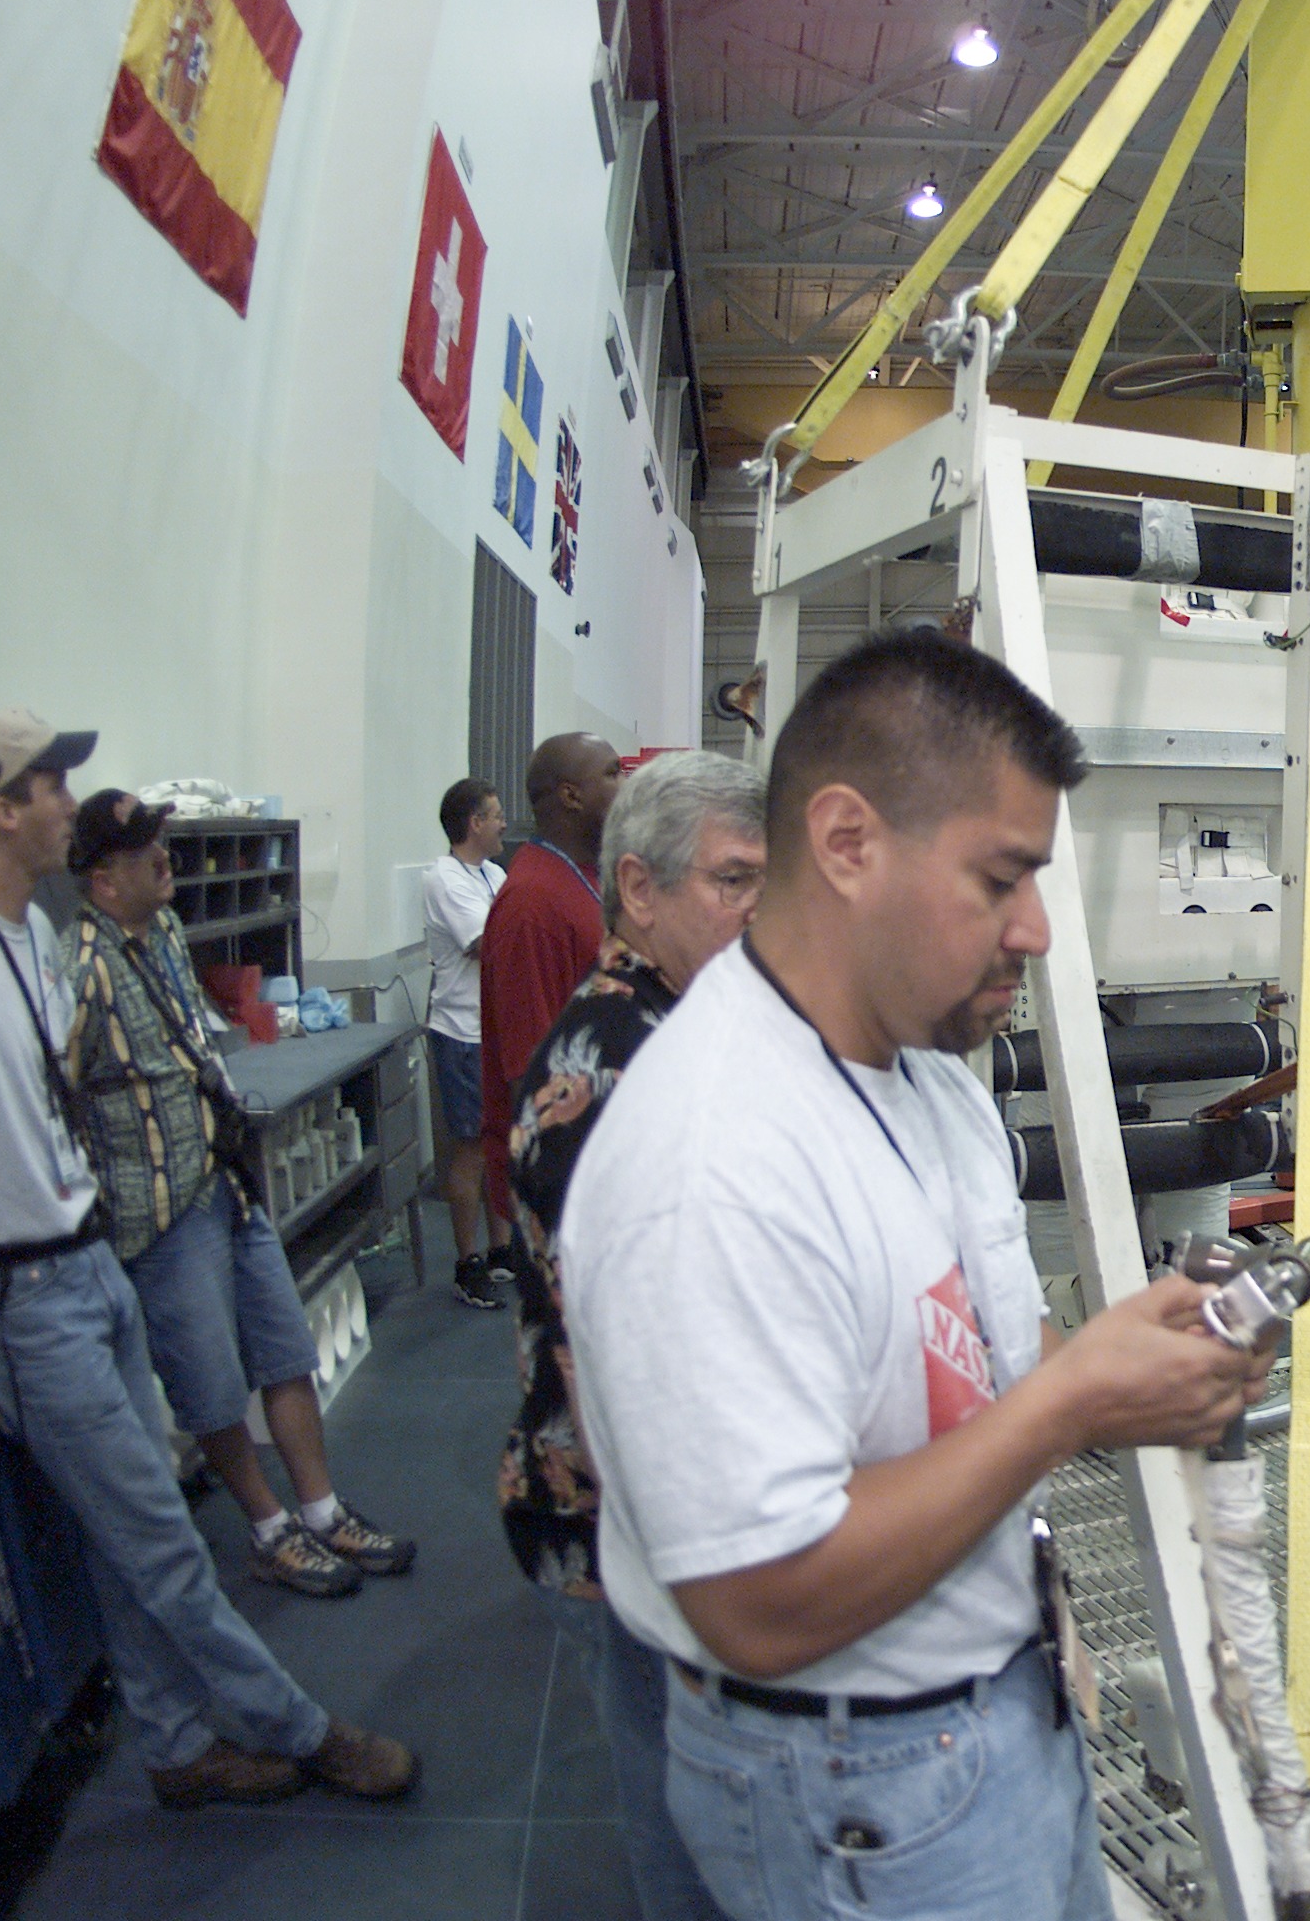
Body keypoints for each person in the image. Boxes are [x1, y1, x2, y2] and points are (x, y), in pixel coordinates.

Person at [565, 630, 1268, 1921]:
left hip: (990, 1720)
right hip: (854, 1782)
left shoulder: (929, 1083)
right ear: (846, 844)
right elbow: (761, 1603)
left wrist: (1135, 1362)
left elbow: (978, 1364)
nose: (1039, 930)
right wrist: (1072, 1409)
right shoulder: (712, 1165)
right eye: (1002, 878)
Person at [0, 711, 417, 1810]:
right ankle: (300, 1728)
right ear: (1, 808)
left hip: (87, 1261)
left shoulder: (30, 939)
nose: (68, 806)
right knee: (162, 1539)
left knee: (127, 1542)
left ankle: (178, 1748)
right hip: (28, 1292)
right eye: (51, 786)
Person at [499, 751, 761, 1921]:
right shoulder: (615, 1068)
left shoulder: (686, 1024)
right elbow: (627, 1361)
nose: (762, 909)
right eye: (732, 880)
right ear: (639, 890)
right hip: (633, 1521)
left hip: (659, 1521)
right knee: (687, 1826)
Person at [63, 791, 416, 1599]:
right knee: (210, 1381)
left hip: (225, 1184)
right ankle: (268, 1528)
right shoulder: (80, 967)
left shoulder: (164, 939)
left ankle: (323, 1512)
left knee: (282, 1347)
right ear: (103, 876)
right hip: (157, 1213)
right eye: (150, 855)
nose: (168, 866)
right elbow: (60, 1090)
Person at [473, 733, 622, 1305]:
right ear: (570, 796)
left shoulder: (578, 878)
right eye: (612, 774)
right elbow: (530, 1071)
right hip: (568, 1185)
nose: (625, 785)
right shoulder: (533, 901)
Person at [425, 776, 510, 1306]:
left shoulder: (494, 874)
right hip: (461, 1031)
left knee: (499, 1141)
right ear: (474, 823)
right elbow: (487, 944)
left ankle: (502, 1250)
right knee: (471, 1149)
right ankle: (467, 1261)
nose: (504, 824)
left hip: (494, 1028)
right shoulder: (445, 879)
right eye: (497, 815)